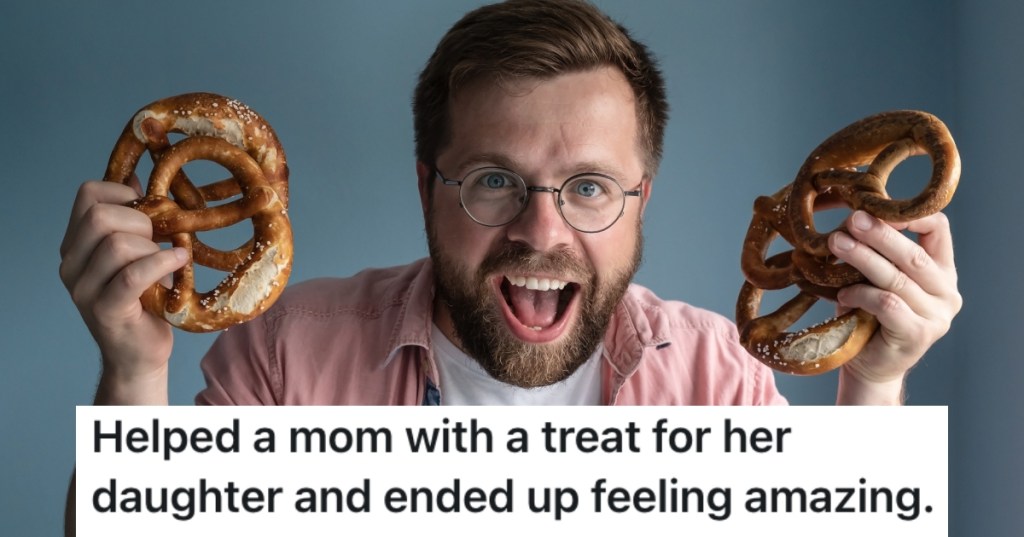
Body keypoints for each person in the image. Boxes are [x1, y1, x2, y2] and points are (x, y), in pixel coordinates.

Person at [62, 1, 961, 414]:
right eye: (494, 179)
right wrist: (135, 373)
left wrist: (874, 384)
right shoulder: (286, 358)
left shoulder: (715, 380)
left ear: (643, 201)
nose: (542, 229)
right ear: (427, 188)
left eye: (590, 187)